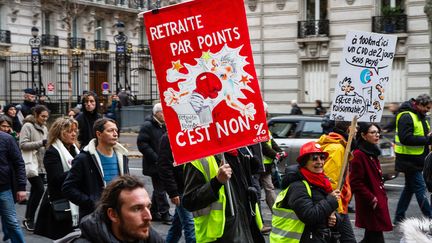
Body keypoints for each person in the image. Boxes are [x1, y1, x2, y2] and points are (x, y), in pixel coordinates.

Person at [182, 150, 265, 243]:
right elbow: (190, 201)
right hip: (219, 236)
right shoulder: (198, 159)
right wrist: (217, 182)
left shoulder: (239, 152)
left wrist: (251, 167)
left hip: (247, 230)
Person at [270, 141, 340, 242]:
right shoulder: (298, 186)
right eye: (315, 158)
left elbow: (327, 212)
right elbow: (309, 216)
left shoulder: (323, 182)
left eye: (322, 157)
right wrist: (331, 200)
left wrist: (335, 219)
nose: (320, 161)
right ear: (304, 162)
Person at [62, 118, 129, 220]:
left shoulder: (122, 156)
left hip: (118, 213)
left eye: (116, 130)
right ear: (99, 134)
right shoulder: (84, 158)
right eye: (110, 130)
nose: (115, 134)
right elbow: (68, 188)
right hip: (93, 216)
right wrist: (90, 203)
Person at [67, 175, 164, 242]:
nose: (149, 217)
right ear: (113, 214)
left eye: (148, 207)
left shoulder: (149, 237)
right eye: (137, 209)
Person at [34, 117, 80, 239]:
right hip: (60, 202)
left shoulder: (75, 149)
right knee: (62, 238)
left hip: (74, 199)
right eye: (70, 131)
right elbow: (56, 179)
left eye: (75, 130)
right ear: (60, 132)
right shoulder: (52, 152)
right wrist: (78, 168)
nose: (74, 134)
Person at [350, 123, 392, 243]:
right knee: (376, 238)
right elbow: (355, 182)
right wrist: (371, 198)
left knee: (371, 237)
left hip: (378, 200)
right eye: (373, 132)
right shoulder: (359, 154)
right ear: (363, 135)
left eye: (378, 132)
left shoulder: (372, 152)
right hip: (370, 203)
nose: (377, 135)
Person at [393, 94, 432, 224]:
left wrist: (428, 136)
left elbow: (424, 135)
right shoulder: (406, 116)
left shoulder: (421, 117)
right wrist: (428, 139)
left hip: (416, 159)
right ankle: (430, 217)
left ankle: (399, 217)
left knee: (409, 189)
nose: (428, 110)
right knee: (420, 189)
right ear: (419, 104)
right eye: (427, 107)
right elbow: (406, 138)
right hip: (408, 160)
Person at [317, 120, 357, 242]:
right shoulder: (338, 148)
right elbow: (331, 181)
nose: (356, 130)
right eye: (355, 127)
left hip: (338, 204)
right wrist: (332, 209)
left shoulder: (339, 145)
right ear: (348, 129)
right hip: (336, 205)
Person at [137, 103, 172, 224]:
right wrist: (156, 158)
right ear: (156, 113)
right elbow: (142, 144)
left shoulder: (164, 125)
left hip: (163, 162)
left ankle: (154, 211)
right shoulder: (148, 126)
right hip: (154, 163)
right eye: (163, 112)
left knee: (159, 188)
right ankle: (165, 214)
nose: (165, 114)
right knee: (160, 189)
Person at [158, 133, 195, 243]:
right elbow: (164, 167)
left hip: (191, 186)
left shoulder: (192, 133)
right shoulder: (168, 137)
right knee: (190, 226)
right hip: (181, 189)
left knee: (177, 226)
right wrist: (173, 192)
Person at [19, 104, 49, 231]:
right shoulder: (28, 126)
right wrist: (41, 143)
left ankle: (28, 219)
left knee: (37, 192)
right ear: (36, 115)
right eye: (42, 116)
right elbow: (23, 144)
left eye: (47, 117)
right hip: (32, 163)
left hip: (41, 164)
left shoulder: (45, 127)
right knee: (39, 189)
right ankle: (29, 219)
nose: (45, 119)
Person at [0, 131, 27, 243]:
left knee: (11, 221)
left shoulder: (6, 139)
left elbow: (19, 162)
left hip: (3, 188)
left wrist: (21, 187)